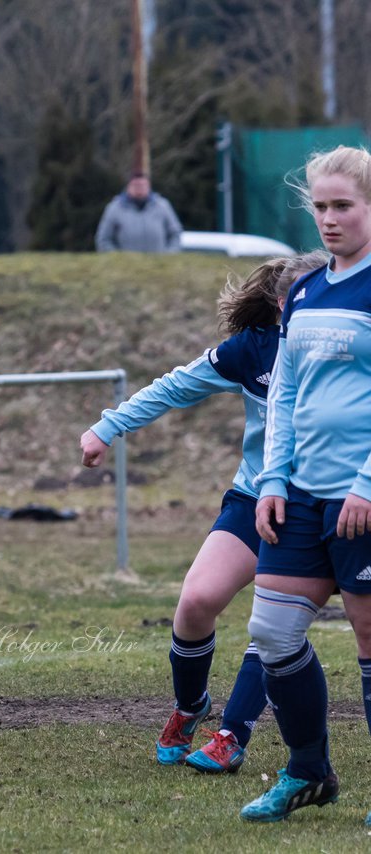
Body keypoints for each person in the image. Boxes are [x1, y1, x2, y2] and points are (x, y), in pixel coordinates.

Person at [80, 250, 328, 775]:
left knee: (274, 625)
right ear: (282, 304)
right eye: (299, 297)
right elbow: (178, 385)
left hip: (317, 507)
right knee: (195, 601)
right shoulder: (253, 349)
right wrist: (108, 427)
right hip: (254, 497)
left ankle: (233, 736)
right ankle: (191, 707)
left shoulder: (347, 351)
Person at [240, 145, 371, 823]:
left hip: (363, 501)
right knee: (273, 632)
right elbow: (285, 394)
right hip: (302, 496)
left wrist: (368, 485)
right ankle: (309, 772)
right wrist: (273, 479)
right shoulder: (306, 290)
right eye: (320, 207)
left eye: (343, 206)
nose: (329, 219)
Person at [94, 172, 183, 253]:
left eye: (143, 185)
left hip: (159, 266)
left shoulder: (163, 206)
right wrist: (116, 258)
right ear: (128, 187)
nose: (139, 189)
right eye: (136, 185)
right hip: (125, 267)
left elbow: (175, 233)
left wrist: (170, 255)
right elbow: (104, 239)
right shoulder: (114, 208)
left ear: (149, 186)